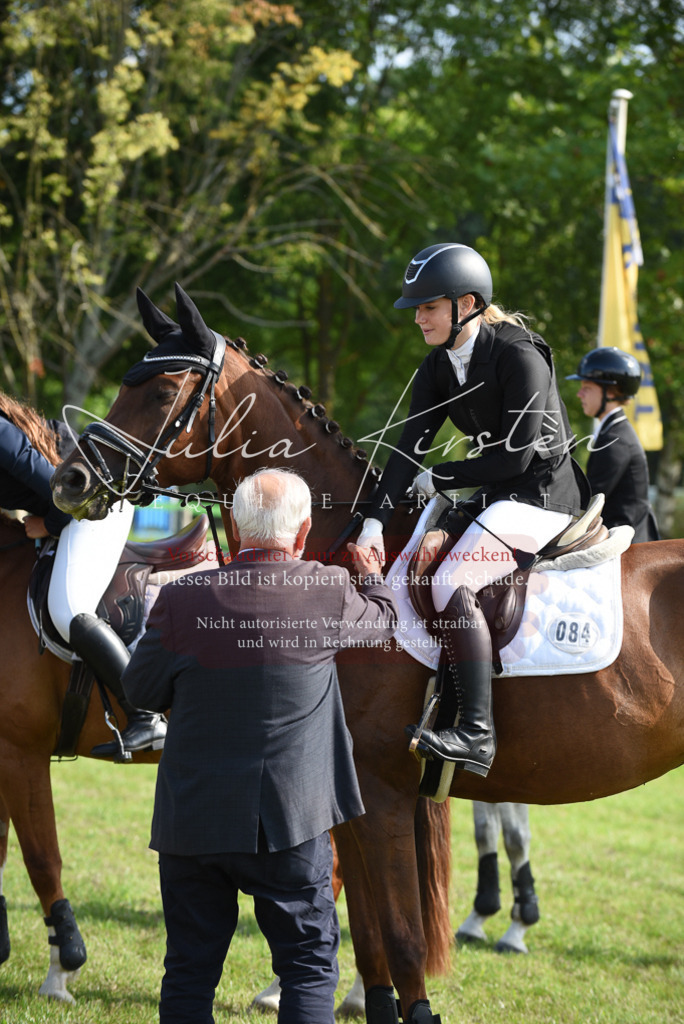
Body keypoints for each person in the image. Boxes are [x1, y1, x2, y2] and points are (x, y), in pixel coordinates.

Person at [121, 467, 397, 1024]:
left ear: (236, 525)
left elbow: (139, 690)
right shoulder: (329, 588)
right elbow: (386, 625)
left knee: (190, 971)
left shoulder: (182, 598)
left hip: (193, 819)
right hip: (291, 822)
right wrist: (371, 577)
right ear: (302, 534)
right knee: (308, 967)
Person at [357, 242, 590, 775]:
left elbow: (516, 459)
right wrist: (371, 520)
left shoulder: (519, 355)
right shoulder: (439, 364)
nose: (418, 318)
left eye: (428, 307)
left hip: (543, 497)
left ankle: (477, 734)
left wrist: (441, 476)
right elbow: (405, 445)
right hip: (496, 494)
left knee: (449, 580)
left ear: (467, 303)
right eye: (417, 309)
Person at [0, 391, 166, 758]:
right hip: (81, 503)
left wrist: (47, 524)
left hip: (96, 503)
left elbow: (71, 489)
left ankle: (145, 715)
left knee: (68, 610)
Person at [568, 347, 660, 542]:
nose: (579, 394)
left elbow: (588, 500)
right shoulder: (613, 432)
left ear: (610, 392)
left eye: (587, 387)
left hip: (627, 547)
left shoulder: (616, 440)